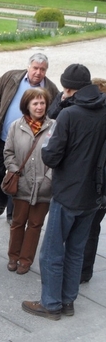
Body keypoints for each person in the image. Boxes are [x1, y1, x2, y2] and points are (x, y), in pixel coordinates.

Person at [23, 64, 106, 320]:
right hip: (94, 195)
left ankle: (51, 303)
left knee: (52, 251)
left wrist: (48, 146)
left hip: (68, 192)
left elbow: (51, 155)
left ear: (69, 89)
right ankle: (68, 301)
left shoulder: (69, 115)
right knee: (76, 249)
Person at [0, 53, 59, 223]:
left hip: (28, 141)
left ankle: (12, 214)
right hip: (3, 136)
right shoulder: (11, 77)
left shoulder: (51, 89)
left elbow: (54, 113)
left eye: (42, 69)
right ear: (28, 67)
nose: (38, 72)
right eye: (35, 68)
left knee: (18, 174)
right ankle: (1, 201)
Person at [3, 88, 53, 275]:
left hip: (44, 186)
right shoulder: (16, 125)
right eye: (35, 103)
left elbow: (58, 157)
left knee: (35, 225)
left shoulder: (54, 126)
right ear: (27, 105)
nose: (39, 107)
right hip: (22, 183)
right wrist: (15, 171)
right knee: (17, 222)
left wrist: (49, 179)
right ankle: (13, 256)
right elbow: (8, 153)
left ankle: (26, 260)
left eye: (42, 103)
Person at [80, 78, 106, 283]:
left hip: (96, 184)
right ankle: (85, 270)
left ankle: (82, 270)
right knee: (92, 228)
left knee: (87, 228)